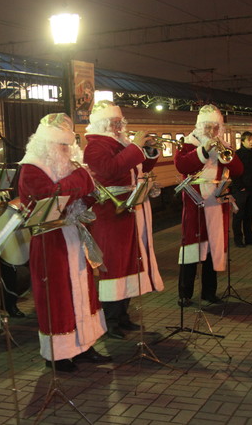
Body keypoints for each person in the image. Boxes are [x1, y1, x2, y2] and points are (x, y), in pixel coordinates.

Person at [18, 113, 110, 372]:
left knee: (83, 291)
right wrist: (81, 179)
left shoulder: (68, 166)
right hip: (50, 240)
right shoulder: (32, 167)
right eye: (61, 145)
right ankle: (58, 354)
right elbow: (49, 198)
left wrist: (90, 194)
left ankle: (84, 344)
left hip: (72, 234)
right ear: (46, 145)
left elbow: (74, 198)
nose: (67, 150)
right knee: (56, 297)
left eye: (68, 145)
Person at [83, 100, 164, 340]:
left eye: (120, 122)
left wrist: (147, 151)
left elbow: (136, 166)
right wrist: (135, 148)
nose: (119, 126)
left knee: (130, 263)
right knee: (115, 266)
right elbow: (111, 169)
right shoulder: (95, 146)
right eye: (115, 122)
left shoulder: (121, 144)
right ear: (103, 124)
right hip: (110, 215)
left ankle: (122, 316)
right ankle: (110, 320)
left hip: (127, 212)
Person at [173, 104, 243, 306]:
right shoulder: (187, 143)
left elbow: (238, 169)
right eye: (208, 127)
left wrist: (224, 153)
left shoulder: (223, 145)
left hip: (216, 203)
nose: (212, 132)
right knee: (191, 250)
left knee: (213, 249)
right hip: (195, 204)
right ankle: (184, 294)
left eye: (215, 128)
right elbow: (182, 165)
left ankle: (209, 292)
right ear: (200, 126)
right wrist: (204, 150)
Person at [231, 131, 252, 248]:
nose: (251, 142)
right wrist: (241, 186)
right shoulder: (238, 154)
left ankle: (249, 237)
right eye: (249, 140)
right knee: (239, 215)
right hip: (241, 190)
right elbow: (234, 173)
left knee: (249, 214)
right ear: (242, 141)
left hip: (250, 189)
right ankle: (238, 239)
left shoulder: (251, 153)